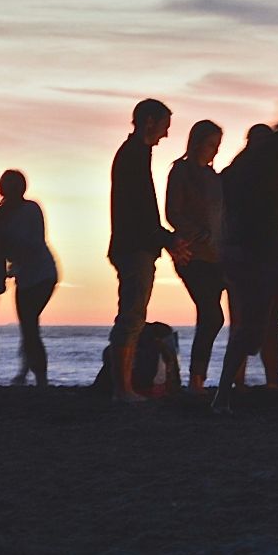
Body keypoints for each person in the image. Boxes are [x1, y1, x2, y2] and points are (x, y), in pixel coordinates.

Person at [217, 100, 278, 408]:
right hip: (256, 254)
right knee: (251, 329)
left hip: (266, 252)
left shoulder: (265, 160)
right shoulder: (264, 158)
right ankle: (224, 394)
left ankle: (233, 386)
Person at [108, 99, 191, 403]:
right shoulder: (132, 156)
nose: (166, 135)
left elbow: (144, 212)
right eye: (165, 127)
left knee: (133, 315)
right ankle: (123, 389)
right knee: (131, 316)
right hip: (134, 247)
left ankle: (124, 387)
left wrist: (165, 241)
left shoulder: (136, 154)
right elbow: (140, 212)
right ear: (149, 122)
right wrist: (167, 240)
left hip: (136, 245)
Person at [166, 120, 226, 391]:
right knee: (212, 315)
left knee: (211, 315)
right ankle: (196, 380)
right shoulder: (181, 172)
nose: (214, 151)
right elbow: (172, 212)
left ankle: (199, 380)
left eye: (217, 146)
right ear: (197, 142)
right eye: (211, 144)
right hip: (191, 254)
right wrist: (196, 232)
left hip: (217, 255)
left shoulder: (215, 179)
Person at [0, 168, 57, 386]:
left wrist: (9, 269)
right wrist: (1, 274)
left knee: (29, 325)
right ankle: (27, 372)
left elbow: (35, 242)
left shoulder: (31, 209)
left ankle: (40, 377)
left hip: (42, 274)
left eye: (2, 184)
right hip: (24, 276)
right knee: (28, 326)